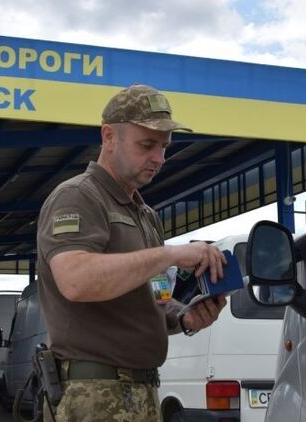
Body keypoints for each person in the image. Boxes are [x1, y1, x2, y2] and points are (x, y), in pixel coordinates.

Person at [36, 84, 228, 421]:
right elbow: (75, 280)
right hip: (94, 395)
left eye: (164, 147)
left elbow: (157, 294)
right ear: (109, 137)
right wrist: (169, 255)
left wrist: (183, 316)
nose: (159, 158)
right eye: (147, 145)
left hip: (141, 391)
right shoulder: (78, 197)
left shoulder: (145, 215)